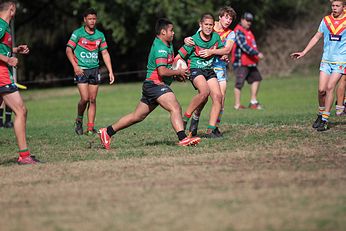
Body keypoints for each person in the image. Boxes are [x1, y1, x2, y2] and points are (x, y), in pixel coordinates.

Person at [98, 18, 201, 150]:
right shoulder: (160, 48)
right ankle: (183, 138)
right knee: (175, 107)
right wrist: (179, 71)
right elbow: (162, 71)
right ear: (163, 32)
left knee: (137, 116)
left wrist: (177, 74)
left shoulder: (167, 44)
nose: (173, 33)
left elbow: (168, 67)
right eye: (171, 30)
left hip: (153, 85)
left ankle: (107, 132)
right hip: (155, 85)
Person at [291, 0, 346, 131]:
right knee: (321, 90)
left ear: (344, 7)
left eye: (337, 6)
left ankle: (325, 120)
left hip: (341, 61)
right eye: (333, 5)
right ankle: (321, 114)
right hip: (326, 60)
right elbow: (317, 37)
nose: (334, 8)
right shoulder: (326, 20)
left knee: (329, 87)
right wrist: (304, 52)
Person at [176, 13, 231, 138]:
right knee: (204, 92)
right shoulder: (193, 40)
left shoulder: (216, 38)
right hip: (196, 69)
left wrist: (223, 56)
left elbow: (223, 50)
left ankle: (211, 130)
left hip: (208, 70)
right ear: (200, 25)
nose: (208, 27)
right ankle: (185, 119)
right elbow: (178, 57)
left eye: (211, 25)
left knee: (218, 96)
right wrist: (178, 68)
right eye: (206, 24)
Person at [0, 0, 40, 164]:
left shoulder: (5, 26)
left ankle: (24, 155)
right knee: (21, 111)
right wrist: (8, 59)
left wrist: (15, 50)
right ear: (12, 9)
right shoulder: (1, 25)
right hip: (1, 73)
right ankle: (24, 156)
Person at [66, 8, 115, 136]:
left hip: (94, 70)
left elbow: (104, 52)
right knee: (85, 98)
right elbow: (68, 50)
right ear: (85, 20)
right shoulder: (78, 33)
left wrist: (110, 71)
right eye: (89, 19)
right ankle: (79, 120)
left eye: (94, 19)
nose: (92, 21)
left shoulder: (100, 35)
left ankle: (90, 128)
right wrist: (75, 66)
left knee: (92, 99)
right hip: (81, 70)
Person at [231, 12, 264, 110]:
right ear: (242, 20)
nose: (249, 22)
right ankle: (237, 105)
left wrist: (255, 57)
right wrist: (256, 53)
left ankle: (253, 102)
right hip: (240, 62)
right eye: (247, 20)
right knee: (239, 83)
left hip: (250, 62)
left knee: (257, 79)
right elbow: (243, 46)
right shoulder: (238, 31)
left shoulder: (248, 31)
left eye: (250, 21)